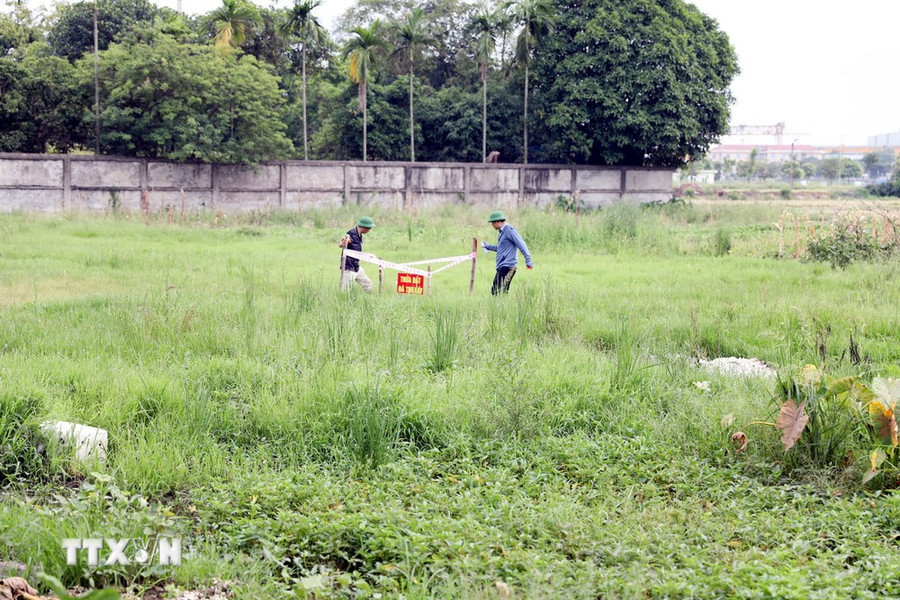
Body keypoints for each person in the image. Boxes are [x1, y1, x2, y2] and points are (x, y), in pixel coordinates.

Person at [482, 210, 533, 295]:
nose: (491, 225)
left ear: (497, 222)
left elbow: (522, 244)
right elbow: (501, 248)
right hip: (502, 267)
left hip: (508, 266)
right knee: (498, 291)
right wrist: (488, 246)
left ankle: (500, 307)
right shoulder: (502, 232)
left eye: (492, 223)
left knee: (498, 292)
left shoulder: (509, 231)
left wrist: (528, 259)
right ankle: (500, 307)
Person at [338, 216, 375, 292]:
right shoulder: (351, 233)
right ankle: (343, 302)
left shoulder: (359, 235)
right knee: (345, 291)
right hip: (348, 267)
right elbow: (343, 242)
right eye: (370, 228)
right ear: (365, 227)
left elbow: (357, 253)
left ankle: (368, 300)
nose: (370, 230)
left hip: (356, 266)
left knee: (368, 284)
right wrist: (343, 243)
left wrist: (369, 255)